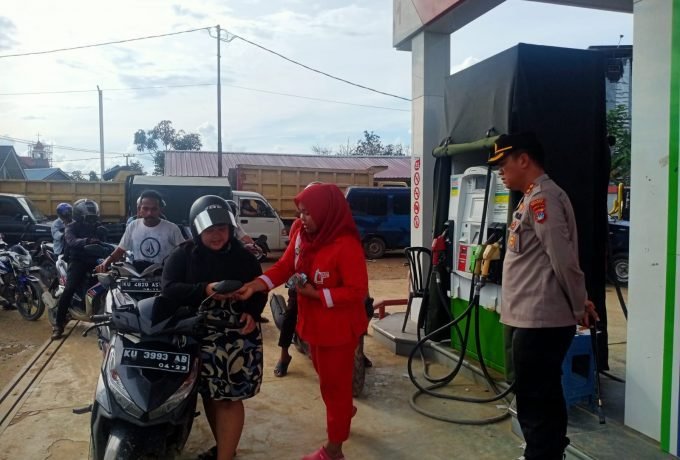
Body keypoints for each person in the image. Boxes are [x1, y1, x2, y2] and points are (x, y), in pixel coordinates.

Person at [236, 183, 369, 460]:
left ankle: (334, 450)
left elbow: (357, 292)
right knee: (328, 381)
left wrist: (317, 295)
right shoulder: (301, 233)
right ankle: (344, 411)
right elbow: (286, 266)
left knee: (333, 388)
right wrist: (257, 284)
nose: (301, 218)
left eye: (308, 213)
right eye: (300, 212)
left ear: (325, 212)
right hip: (313, 325)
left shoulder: (345, 245)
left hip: (338, 330)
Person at [487, 132, 598, 460]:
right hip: (534, 317)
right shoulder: (532, 197)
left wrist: (578, 305)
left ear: (524, 160)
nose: (501, 171)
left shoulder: (543, 199)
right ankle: (546, 452)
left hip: (541, 320)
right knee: (541, 395)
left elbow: (563, 259)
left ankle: (541, 455)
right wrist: (581, 301)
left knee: (536, 399)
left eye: (504, 163)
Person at [161, 195, 266, 460]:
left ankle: (225, 456)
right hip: (198, 334)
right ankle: (225, 448)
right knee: (209, 394)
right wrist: (203, 290)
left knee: (228, 399)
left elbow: (260, 288)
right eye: (209, 229)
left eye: (222, 228)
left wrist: (253, 312)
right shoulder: (183, 255)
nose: (217, 235)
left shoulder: (244, 257)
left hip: (236, 337)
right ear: (197, 229)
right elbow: (168, 289)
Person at [51, 199, 107, 340]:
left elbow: (105, 243)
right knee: (69, 289)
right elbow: (71, 241)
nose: (91, 219)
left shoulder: (98, 227)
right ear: (79, 215)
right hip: (78, 261)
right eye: (88, 216)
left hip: (96, 260)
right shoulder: (71, 227)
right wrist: (86, 241)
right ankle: (58, 325)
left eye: (93, 216)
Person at [96, 190, 185, 273]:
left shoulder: (172, 229)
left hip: (163, 275)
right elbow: (120, 250)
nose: (149, 213)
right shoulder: (133, 226)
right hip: (138, 275)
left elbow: (184, 251)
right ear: (139, 209)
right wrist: (106, 262)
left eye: (154, 209)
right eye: (145, 209)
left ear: (160, 210)